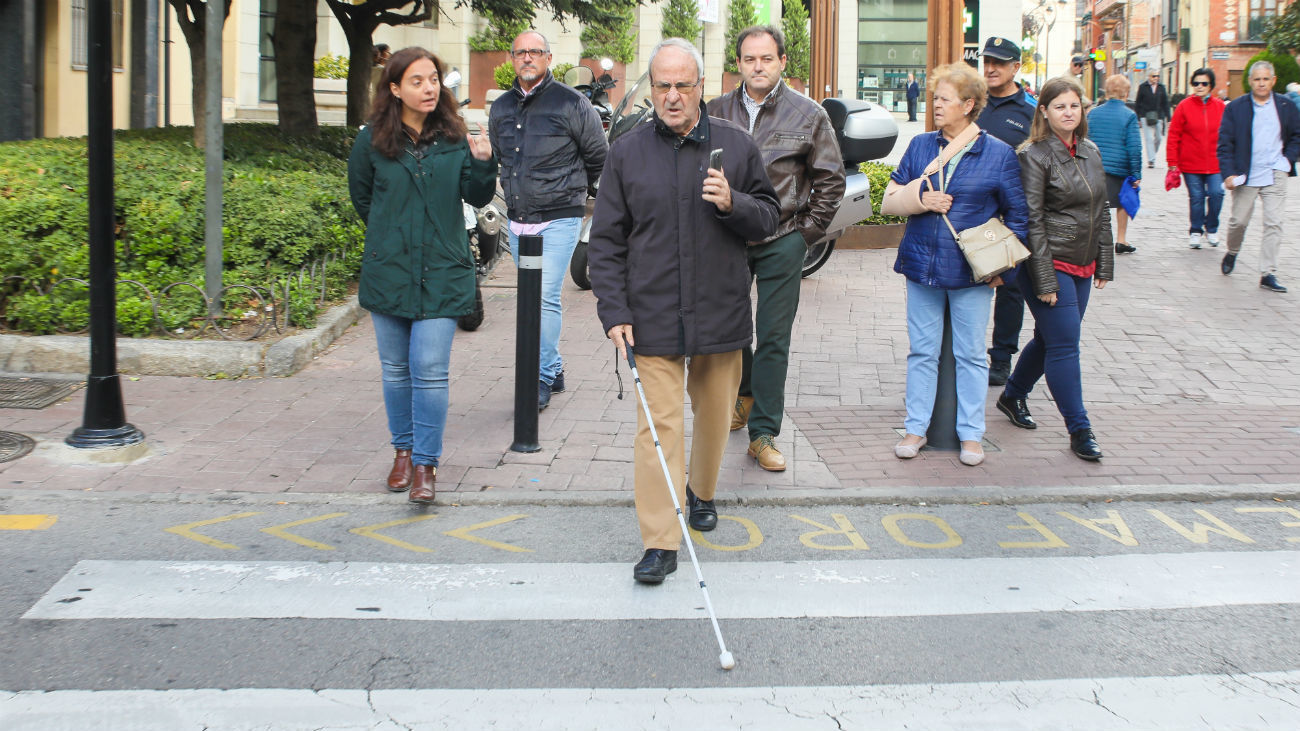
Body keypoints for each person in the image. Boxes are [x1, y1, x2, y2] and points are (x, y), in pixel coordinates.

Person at [588, 39, 778, 584]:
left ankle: (701, 492)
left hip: (720, 312)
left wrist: (733, 203)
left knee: (715, 418)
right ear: (651, 89)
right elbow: (606, 241)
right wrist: (614, 310)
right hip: (650, 315)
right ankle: (660, 542)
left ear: (702, 88)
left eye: (683, 85)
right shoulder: (625, 151)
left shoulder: (737, 147)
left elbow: (767, 218)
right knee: (657, 428)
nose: (672, 96)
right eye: (662, 85)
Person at [348, 47, 498, 503]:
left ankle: (426, 465)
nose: (429, 87)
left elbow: (475, 196)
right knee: (396, 371)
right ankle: (403, 451)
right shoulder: (370, 140)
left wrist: (484, 160)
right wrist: (394, 235)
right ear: (395, 89)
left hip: (442, 271)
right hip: (389, 271)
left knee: (429, 369)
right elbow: (364, 201)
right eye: (417, 81)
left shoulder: (455, 136)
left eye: (433, 79)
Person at [707, 26, 846, 472]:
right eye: (750, 59)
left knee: (772, 336)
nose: (758, 66)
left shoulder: (809, 114)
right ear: (740, 64)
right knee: (730, 329)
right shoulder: (714, 111)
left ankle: (763, 432)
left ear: (783, 61)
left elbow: (831, 180)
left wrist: (803, 235)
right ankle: (744, 394)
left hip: (780, 238)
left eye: (766, 58)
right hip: (726, 237)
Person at [880, 63, 1028, 467]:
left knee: (971, 355)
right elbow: (890, 197)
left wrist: (1003, 268)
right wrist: (920, 200)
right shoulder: (922, 146)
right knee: (922, 352)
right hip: (921, 265)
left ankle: (971, 435)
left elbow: (1019, 216)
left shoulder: (997, 154)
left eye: (944, 99)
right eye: (935, 98)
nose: (936, 105)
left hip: (971, 273)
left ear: (969, 104)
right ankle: (915, 429)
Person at [489, 31, 608, 410]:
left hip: (559, 217)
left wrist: (577, 194)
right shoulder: (501, 108)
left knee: (542, 297)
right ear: (512, 58)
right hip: (519, 218)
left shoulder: (573, 103)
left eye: (535, 52)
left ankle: (538, 378)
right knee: (529, 296)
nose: (527, 58)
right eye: (520, 52)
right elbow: (499, 158)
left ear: (549, 58)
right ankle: (553, 368)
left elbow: (599, 158)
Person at [996, 76, 1112, 462]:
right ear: (1043, 111)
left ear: (1082, 111)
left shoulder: (1091, 151)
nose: (1068, 112)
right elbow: (1032, 222)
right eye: (1059, 106)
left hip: (1083, 262)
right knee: (1065, 345)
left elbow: (1101, 210)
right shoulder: (1034, 154)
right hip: (1049, 263)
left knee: (1050, 340)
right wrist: (1044, 279)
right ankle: (1080, 429)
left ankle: (1012, 395)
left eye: (1074, 106)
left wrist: (1105, 262)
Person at [976, 36, 1037, 388]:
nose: (991, 68)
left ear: (1016, 67)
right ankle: (958, 351)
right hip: (973, 212)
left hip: (1009, 215)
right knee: (964, 283)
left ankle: (1001, 357)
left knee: (1009, 287)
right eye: (987, 61)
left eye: (1000, 62)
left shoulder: (1030, 112)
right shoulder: (974, 104)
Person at [1217, 60, 1300, 293]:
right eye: (1257, 79)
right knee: (1238, 221)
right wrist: (1228, 174)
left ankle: (1268, 272)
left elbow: (1297, 135)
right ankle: (1233, 251)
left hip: (1276, 172)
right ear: (1250, 82)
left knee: (1274, 223)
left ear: (1273, 81)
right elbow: (1225, 143)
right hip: (1246, 173)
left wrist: (1288, 160)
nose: (1261, 83)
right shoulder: (1236, 108)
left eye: (1266, 79)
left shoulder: (1286, 105)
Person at [1166, 68, 1226, 250]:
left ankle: (1212, 227)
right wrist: (1172, 163)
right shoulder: (1184, 106)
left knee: (1217, 193)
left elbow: (1230, 134)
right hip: (1191, 163)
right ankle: (1196, 231)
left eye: (1204, 83)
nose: (1199, 87)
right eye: (1196, 83)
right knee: (1197, 197)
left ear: (1211, 86)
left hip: (1216, 163)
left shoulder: (1221, 107)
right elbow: (1174, 134)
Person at [1087, 74, 1142, 255]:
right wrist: (1136, 174)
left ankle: (1093, 239)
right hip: (1120, 168)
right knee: (1122, 203)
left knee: (1096, 204)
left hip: (1096, 166)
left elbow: (1086, 140)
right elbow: (1134, 147)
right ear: (1126, 93)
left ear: (1108, 92)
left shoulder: (1093, 113)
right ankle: (1120, 240)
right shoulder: (1129, 116)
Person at [1134, 71, 1169, 169]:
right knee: (1149, 138)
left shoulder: (1161, 87)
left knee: (1159, 138)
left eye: (1158, 76)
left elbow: (1165, 103)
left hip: (1158, 116)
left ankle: (1152, 153)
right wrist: (1138, 117)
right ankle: (1151, 160)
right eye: (1154, 76)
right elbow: (1138, 103)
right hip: (1145, 115)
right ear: (1149, 77)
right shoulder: (1143, 87)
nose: (1156, 78)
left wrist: (1168, 117)